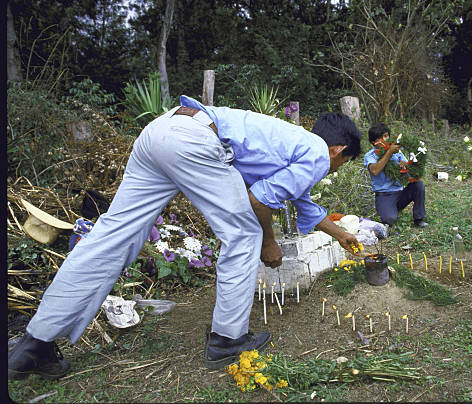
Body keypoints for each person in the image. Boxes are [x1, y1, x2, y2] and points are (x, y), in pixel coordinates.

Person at [8, 95, 363, 380]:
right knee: (244, 233)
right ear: (338, 151)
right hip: (194, 139)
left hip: (161, 131)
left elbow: (304, 204)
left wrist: (341, 234)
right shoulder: (318, 152)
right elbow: (259, 201)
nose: (331, 170)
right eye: (341, 165)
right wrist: (267, 242)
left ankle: (34, 343)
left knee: (111, 236)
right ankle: (228, 339)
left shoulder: (293, 142)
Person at [364, 123, 428, 228]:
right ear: (374, 142)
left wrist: (414, 161)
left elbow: (407, 169)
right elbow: (375, 170)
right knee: (390, 220)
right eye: (380, 138)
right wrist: (389, 152)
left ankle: (419, 218)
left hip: (400, 193)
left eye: (385, 136)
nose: (384, 140)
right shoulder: (370, 155)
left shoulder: (397, 153)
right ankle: (390, 210)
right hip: (384, 196)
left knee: (418, 184)